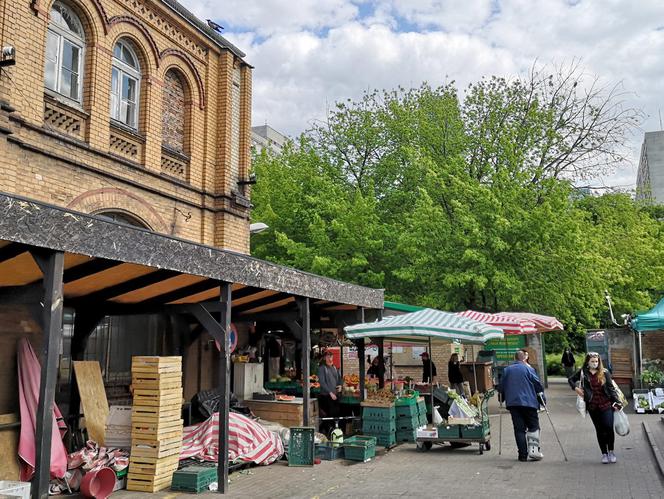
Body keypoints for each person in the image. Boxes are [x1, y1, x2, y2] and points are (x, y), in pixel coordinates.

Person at [568, 352, 622, 464]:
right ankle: (604, 454)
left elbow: (611, 388)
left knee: (608, 427)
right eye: (592, 361)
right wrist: (576, 389)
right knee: (600, 430)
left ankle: (611, 451)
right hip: (593, 406)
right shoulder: (583, 372)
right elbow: (571, 379)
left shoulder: (605, 372)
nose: (595, 363)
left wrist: (617, 402)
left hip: (606, 404)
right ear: (588, 362)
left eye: (596, 361)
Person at [498, 350, 545, 462]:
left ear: (515, 358)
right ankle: (534, 451)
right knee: (533, 427)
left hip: (513, 404)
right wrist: (543, 401)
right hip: (529, 403)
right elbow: (538, 385)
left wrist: (501, 399)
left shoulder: (507, 370)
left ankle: (522, 455)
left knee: (519, 430)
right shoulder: (529, 369)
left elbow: (501, 387)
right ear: (524, 358)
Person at [317, 351, 342, 434]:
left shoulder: (335, 368)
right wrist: (330, 393)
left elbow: (339, 379)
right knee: (328, 415)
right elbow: (322, 382)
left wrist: (340, 386)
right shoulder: (322, 368)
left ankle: (331, 431)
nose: (330, 359)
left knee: (335, 414)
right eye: (328, 357)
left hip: (335, 395)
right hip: (326, 396)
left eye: (331, 357)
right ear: (324, 358)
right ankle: (326, 430)